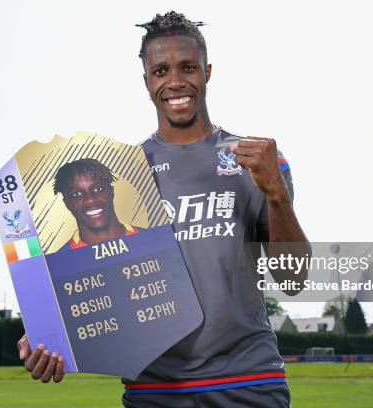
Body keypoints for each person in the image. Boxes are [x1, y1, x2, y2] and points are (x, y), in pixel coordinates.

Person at [18, 11, 310, 407]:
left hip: (249, 383)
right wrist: (48, 331)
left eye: (187, 67)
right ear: (146, 82)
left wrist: (277, 195)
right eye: (161, 71)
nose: (175, 82)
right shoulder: (121, 174)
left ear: (207, 72)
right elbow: (96, 275)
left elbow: (292, 280)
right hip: (155, 391)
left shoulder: (255, 161)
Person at [52, 158, 139, 251]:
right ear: (67, 203)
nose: (90, 200)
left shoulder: (146, 237)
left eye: (98, 189)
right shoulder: (62, 259)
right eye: (76, 194)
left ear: (111, 191)